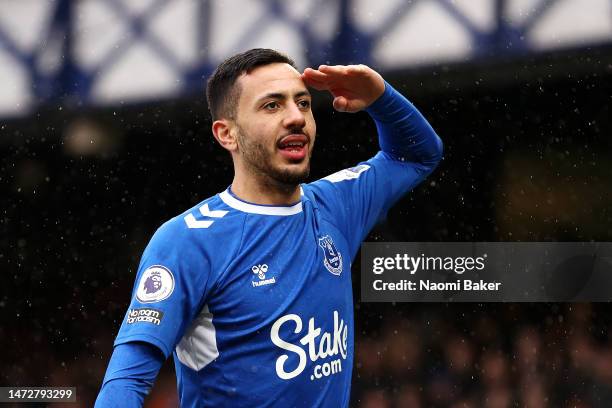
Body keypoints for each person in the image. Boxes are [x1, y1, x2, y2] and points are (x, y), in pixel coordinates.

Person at [95, 48, 443, 407]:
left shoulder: (337, 206)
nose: (296, 117)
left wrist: (380, 96)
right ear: (226, 134)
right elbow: (125, 382)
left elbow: (417, 154)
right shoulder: (187, 241)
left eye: (304, 103)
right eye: (272, 105)